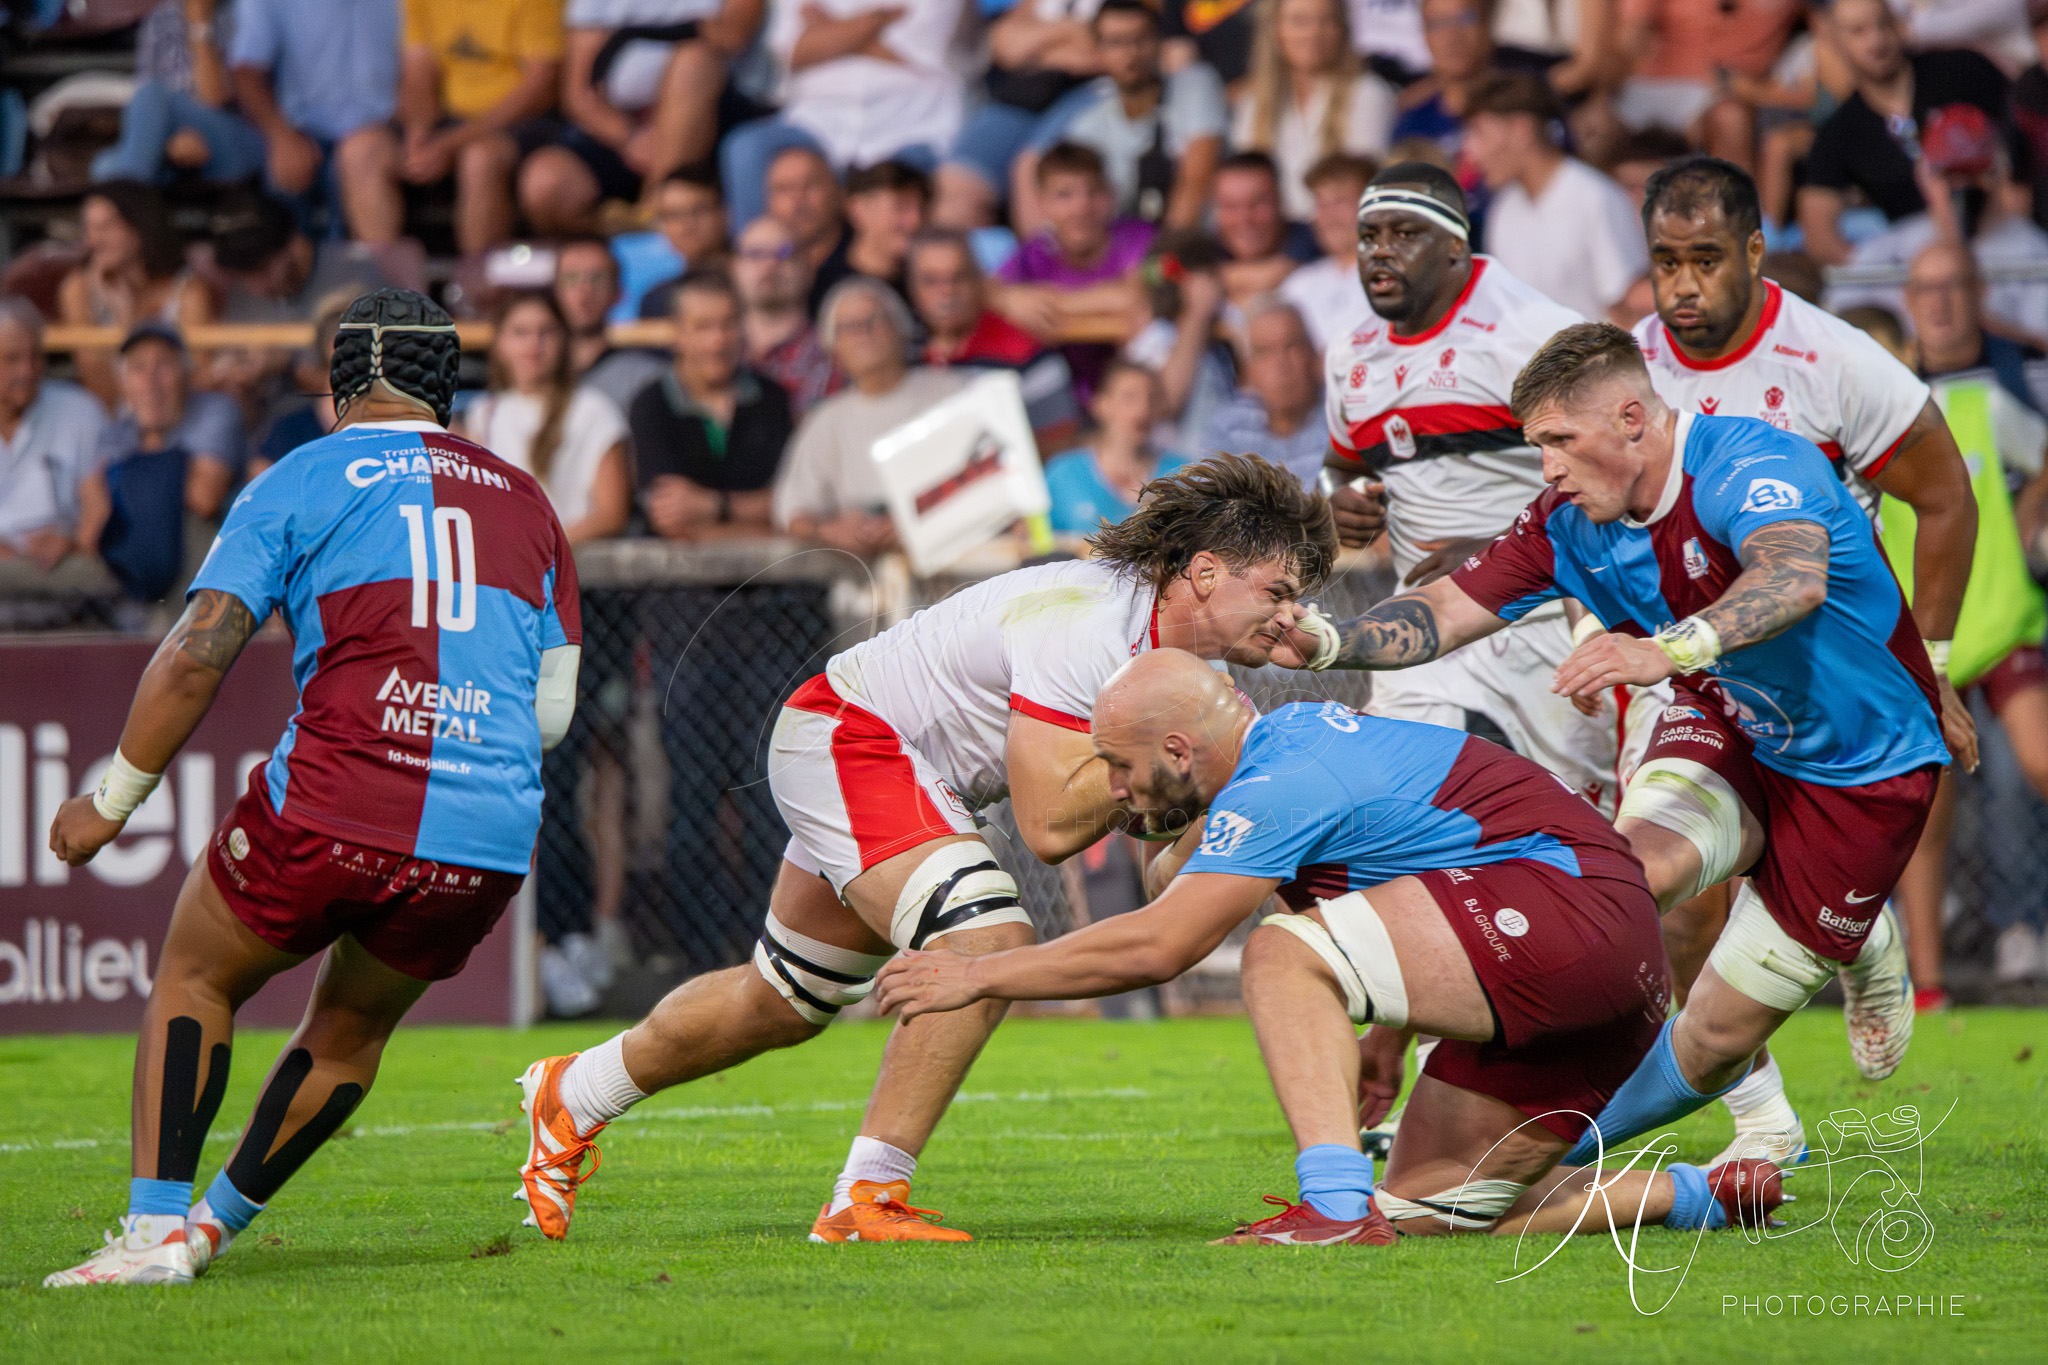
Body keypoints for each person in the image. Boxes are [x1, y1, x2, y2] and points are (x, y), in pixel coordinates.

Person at [510, 454, 1337, 1244]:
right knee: (985, 944)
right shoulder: (1090, 622)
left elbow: (1159, 867)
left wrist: (1206, 796)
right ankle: (867, 1193)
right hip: (853, 738)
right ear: (1202, 572)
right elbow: (1051, 826)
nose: (1289, 615)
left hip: (883, 759)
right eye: (1276, 590)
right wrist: (1211, 771)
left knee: (782, 1001)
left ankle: (575, 1091)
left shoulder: (1171, 660)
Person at [873, 652, 1784, 1245]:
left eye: (1119, 764)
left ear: (1182, 748)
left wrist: (974, 972)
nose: (1114, 789)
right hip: (1598, 956)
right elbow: (1406, 884)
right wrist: (1384, 1038)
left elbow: (1163, 942)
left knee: (1281, 953)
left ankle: (1334, 1205)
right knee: (1432, 1206)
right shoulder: (1293, 751)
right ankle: (1697, 1195)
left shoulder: (1279, 781)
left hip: (1566, 916)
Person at [42, 288, 581, 1287]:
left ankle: (156, 1228)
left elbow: (198, 653)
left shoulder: (300, 475)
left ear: (341, 384)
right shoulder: (529, 499)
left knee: (197, 976)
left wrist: (109, 801)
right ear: (445, 384)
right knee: (351, 1030)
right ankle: (210, 1233)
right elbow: (549, 714)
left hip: (340, 798)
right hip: (487, 830)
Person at [1314, 321, 1944, 1175]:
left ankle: (1561, 1133)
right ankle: (1519, 1137)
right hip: (1730, 722)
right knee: (1622, 881)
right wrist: (1316, 642)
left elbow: (1793, 579)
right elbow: (1444, 611)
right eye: (1537, 446)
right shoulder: (1567, 518)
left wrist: (1665, 651)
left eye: (1560, 442)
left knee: (1715, 1037)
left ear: (1633, 419)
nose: (1549, 470)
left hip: (1862, 774)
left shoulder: (1749, 464)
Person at [1632, 156, 1980, 1164]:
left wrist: (1936, 662)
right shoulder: (1628, 368)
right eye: (1664, 262)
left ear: (1751, 252)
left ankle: (1849, 929)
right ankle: (1758, 1119)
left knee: (1742, 889)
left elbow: (1945, 497)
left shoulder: (1832, 362)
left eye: (1704, 259)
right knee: (1675, 900)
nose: (1683, 284)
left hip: (1830, 680)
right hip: (1689, 669)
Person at [1319, 163, 1632, 815]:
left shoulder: (1534, 335)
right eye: (1369, 234)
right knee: (1399, 815)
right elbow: (1340, 464)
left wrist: (1500, 549)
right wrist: (1339, 498)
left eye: (1404, 233)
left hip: (1549, 617)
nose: (1380, 250)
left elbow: (1619, 477)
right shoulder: (1351, 356)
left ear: (1456, 247)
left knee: (1586, 838)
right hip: (1426, 621)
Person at [1888, 242, 2048, 1006]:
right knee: (1930, 803)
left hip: (1998, 625)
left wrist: (2027, 511)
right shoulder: (1879, 411)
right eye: (1927, 289)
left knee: (2036, 763)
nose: (1941, 303)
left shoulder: (1988, 400)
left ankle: (2018, 924)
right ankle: (1927, 983)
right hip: (1917, 641)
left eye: (1955, 288)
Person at [719, 0, 972, 230]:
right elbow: (789, 54)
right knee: (746, 147)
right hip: (817, 122)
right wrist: (877, 22)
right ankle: (756, 256)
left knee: (891, 196)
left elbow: (924, 54)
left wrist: (827, 29)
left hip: (910, 125)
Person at [517, 0, 761, 236]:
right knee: (545, 182)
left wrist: (626, 34)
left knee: (694, 61)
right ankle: (618, 246)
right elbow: (577, 94)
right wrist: (629, 136)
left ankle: (659, 209)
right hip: (621, 128)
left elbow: (732, 35)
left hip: (717, 116)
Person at [1796, 0, 2011, 266]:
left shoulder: (1962, 71)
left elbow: (2019, 145)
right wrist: (1884, 278)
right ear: (1833, 40)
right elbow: (1819, 236)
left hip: (1998, 235)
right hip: (1915, 260)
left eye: (1883, 24)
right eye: (1857, 30)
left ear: (1899, 25)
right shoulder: (1840, 131)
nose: (1876, 40)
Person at [773, 278, 967, 552]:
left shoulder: (951, 393)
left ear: (900, 328)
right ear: (833, 346)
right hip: (864, 575)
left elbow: (989, 482)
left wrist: (921, 520)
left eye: (873, 321)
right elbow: (792, 511)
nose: (863, 334)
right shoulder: (826, 420)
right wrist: (830, 530)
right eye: (849, 328)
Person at [1012, 0, 1227, 233]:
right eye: (1116, 42)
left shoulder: (1195, 84)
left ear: (1160, 42)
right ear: (1097, 51)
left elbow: (1195, 183)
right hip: (1130, 256)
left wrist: (1160, 262)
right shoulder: (1087, 126)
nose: (1130, 53)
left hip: (1191, 247)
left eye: (1141, 39)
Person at [77, 324, 246, 604]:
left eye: (164, 365)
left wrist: (148, 447)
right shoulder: (114, 433)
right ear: (124, 383)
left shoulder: (216, 411)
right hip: (133, 577)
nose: (151, 380)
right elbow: (90, 529)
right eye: (138, 368)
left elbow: (203, 498)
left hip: (211, 573)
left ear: (186, 373)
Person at [1463, 73, 1646, 325]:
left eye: (1479, 132)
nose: (1471, 150)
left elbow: (1626, 310)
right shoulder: (1502, 208)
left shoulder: (1596, 198)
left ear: (1521, 131)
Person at [461, 291, 633, 544]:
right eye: (520, 332)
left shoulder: (594, 409)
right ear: (499, 342)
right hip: (506, 570)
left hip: (572, 568)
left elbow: (611, 514)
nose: (534, 345)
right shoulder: (484, 411)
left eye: (546, 332)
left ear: (564, 339)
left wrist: (543, 548)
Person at [631, 270, 792, 541]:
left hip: (774, 577)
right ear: (677, 334)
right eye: (703, 326)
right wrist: (762, 523)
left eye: (728, 324)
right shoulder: (652, 403)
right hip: (679, 579)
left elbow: (791, 505)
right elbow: (671, 522)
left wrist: (713, 505)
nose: (717, 341)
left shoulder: (772, 397)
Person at [396, 0, 564, 256]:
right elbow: (418, 69)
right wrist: (418, 132)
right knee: (363, 153)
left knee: (481, 158)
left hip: (524, 120)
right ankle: (378, 283)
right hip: (451, 119)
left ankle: (479, 283)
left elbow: (540, 87)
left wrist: (451, 142)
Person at [229, 0, 404, 242]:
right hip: (301, 131)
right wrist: (282, 137)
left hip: (386, 129)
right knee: (281, 186)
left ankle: (378, 275)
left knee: (361, 156)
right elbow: (245, 71)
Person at [993, 142, 1152, 400]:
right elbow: (988, 289)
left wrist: (1048, 302)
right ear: (1042, 203)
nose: (1081, 207)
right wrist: (1008, 298)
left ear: (1111, 195)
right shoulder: (1038, 250)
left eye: (1094, 191)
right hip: (1064, 400)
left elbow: (1134, 295)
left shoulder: (1136, 236)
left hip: (1135, 399)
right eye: (1064, 195)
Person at [930, 0, 1108, 229]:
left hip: (1092, 92)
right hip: (1024, 92)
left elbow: (1109, 53)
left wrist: (1038, 46)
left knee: (1030, 169)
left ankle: (1040, 262)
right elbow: (1005, 46)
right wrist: (1071, 30)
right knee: (953, 189)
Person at [907, 228, 1080, 451]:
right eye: (931, 281)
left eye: (958, 277)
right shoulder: (902, 352)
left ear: (979, 281)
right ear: (912, 287)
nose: (946, 291)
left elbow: (1062, 442)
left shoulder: (1023, 348)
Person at [1232, 0, 1396, 221]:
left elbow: (1365, 188)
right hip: (1271, 231)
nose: (1313, 33)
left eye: (1326, 21)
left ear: (1342, 29)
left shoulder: (1368, 94)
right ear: (1275, 29)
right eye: (1300, 21)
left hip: (1338, 233)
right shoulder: (1252, 102)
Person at [57, 181, 214, 410]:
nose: (93, 241)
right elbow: (97, 388)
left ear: (141, 225)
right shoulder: (77, 290)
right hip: (114, 423)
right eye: (89, 228)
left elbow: (202, 384)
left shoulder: (188, 291)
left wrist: (126, 316)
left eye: (106, 226)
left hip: (184, 418)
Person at [91, 0, 266, 186]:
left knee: (115, 168)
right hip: (171, 139)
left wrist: (199, 22)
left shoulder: (246, 13)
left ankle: (132, 192)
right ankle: (138, 180)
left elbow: (213, 97)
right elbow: (142, 111)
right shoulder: (161, 17)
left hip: (234, 136)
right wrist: (168, 147)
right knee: (103, 166)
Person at [1613, 0, 1802, 169]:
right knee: (1598, 127)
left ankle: (1738, 205)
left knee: (1730, 117)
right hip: (1648, 84)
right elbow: (1630, 33)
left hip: (1720, 93)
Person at [0, 298, 109, 572]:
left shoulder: (80, 411)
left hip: (61, 573)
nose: (27, 370)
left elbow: (99, 507)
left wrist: (72, 542)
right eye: (12, 359)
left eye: (35, 356)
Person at [1044, 358, 1191, 533]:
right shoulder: (1064, 473)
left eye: (1152, 398)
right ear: (1101, 405)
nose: (1143, 409)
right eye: (1130, 397)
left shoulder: (1181, 473)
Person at [1198, 298, 1324, 486]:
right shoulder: (1227, 427)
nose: (1281, 364)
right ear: (1247, 370)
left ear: (1314, 354)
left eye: (1291, 346)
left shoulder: (1344, 422)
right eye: (1264, 352)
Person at [732, 215, 840, 418]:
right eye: (755, 254)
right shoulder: (714, 352)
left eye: (784, 253)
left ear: (809, 270)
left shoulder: (835, 355)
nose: (769, 266)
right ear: (735, 268)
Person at [554, 237, 669, 416]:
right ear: (554, 291)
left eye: (598, 279)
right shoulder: (532, 371)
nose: (584, 291)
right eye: (571, 278)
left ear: (619, 293)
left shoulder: (648, 377)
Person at [1278, 152, 1373, 350]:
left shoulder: (1395, 280)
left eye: (1340, 202)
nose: (1329, 216)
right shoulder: (1297, 285)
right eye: (1321, 203)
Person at [761, 146, 856, 316]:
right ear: (767, 202)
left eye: (810, 185)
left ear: (839, 192)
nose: (798, 198)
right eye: (785, 189)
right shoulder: (758, 270)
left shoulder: (864, 263)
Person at [633, 168, 733, 319]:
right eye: (673, 215)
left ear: (725, 212)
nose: (686, 226)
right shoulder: (656, 300)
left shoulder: (754, 285)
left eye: (698, 210)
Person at [1211, 152, 1301, 306]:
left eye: (1258, 203)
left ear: (1281, 202)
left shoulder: (1315, 241)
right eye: (1231, 206)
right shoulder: (1204, 250)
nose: (1244, 219)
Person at [843, 161, 933, 298]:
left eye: (922, 209)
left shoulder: (929, 291)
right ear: (858, 210)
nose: (916, 221)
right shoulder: (822, 289)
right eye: (901, 207)